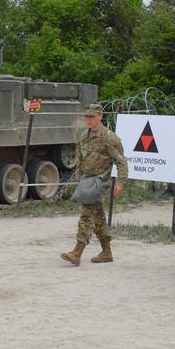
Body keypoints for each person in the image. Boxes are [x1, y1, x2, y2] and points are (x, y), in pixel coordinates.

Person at [61, 103, 128, 266]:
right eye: (87, 117)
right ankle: (106, 252)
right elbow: (80, 158)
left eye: (92, 117)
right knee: (98, 216)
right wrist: (79, 177)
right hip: (87, 179)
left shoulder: (109, 137)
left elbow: (121, 162)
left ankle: (77, 252)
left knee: (86, 213)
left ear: (100, 117)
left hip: (100, 181)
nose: (89, 120)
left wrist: (120, 182)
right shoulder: (84, 135)